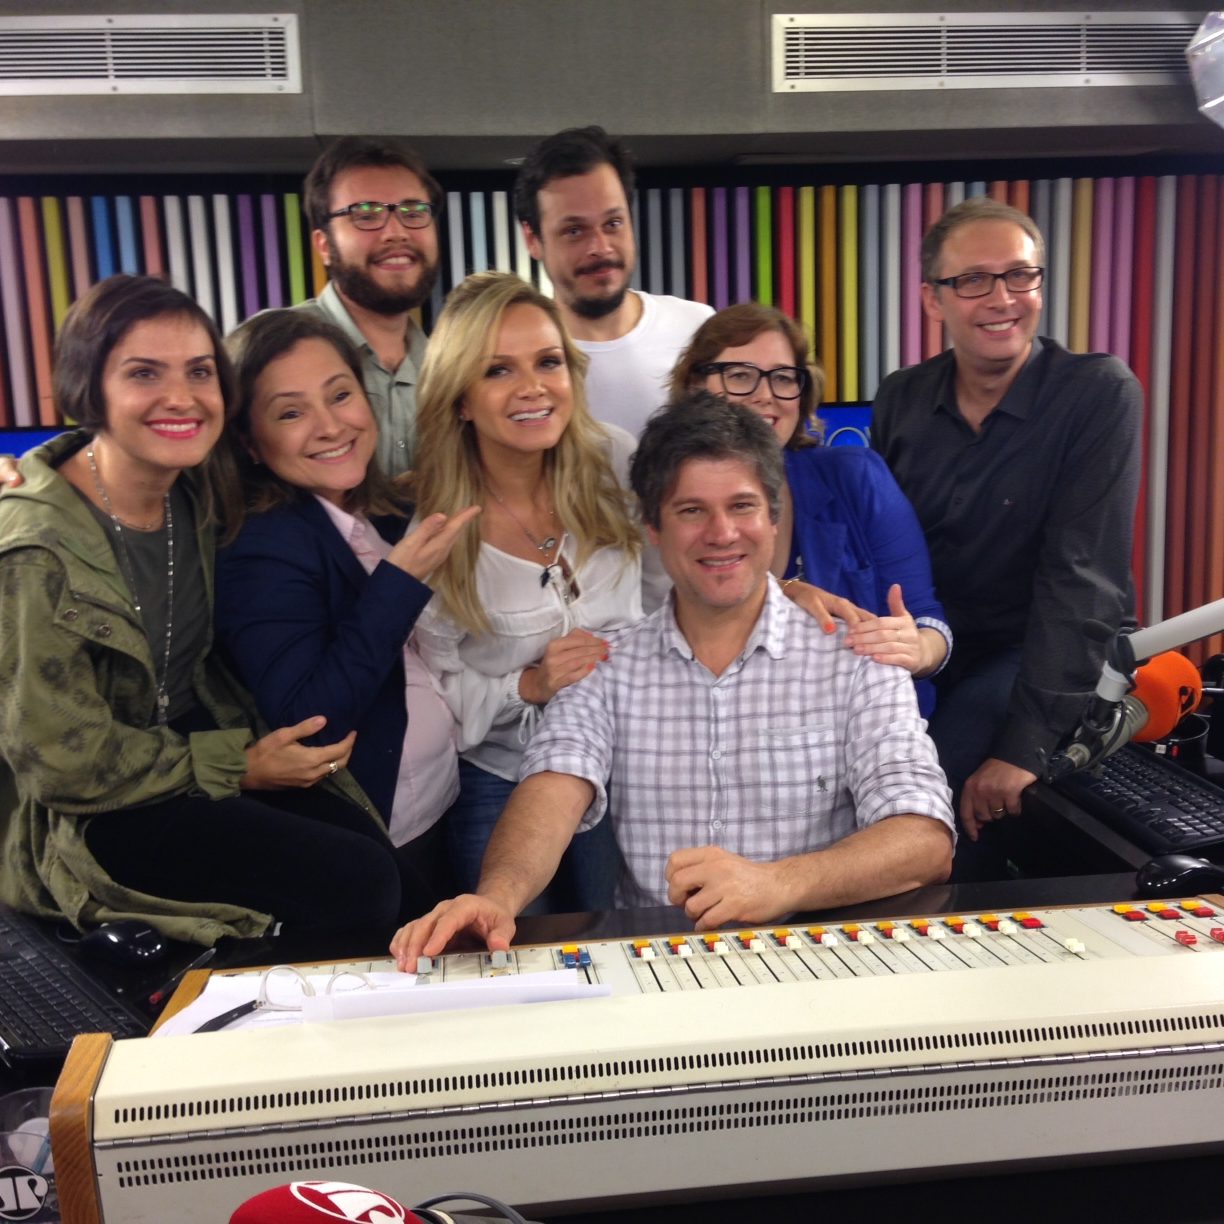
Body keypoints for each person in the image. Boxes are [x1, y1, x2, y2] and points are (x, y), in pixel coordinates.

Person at [391, 394, 954, 967]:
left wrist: (778, 884)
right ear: (653, 527)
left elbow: (924, 839)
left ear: (774, 516)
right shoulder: (606, 665)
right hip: (655, 973)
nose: (721, 533)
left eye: (742, 506)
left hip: (822, 968)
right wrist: (497, 897)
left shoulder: (858, 657)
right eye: (691, 511)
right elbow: (552, 786)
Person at [0, 275, 407, 944]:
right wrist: (236, 764)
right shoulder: (33, 551)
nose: (181, 397)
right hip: (91, 809)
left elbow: (314, 450)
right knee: (358, 884)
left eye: (198, 371)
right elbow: (62, 766)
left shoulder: (194, 489)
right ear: (87, 387)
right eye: (144, 373)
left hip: (187, 753)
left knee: (379, 860)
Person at [871, 197, 1142, 867]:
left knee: (923, 795)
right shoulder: (902, 397)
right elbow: (882, 552)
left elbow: (1081, 580)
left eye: (1021, 275)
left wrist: (1024, 746)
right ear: (933, 300)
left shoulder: (1098, 392)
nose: (1002, 298)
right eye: (973, 280)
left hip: (1041, 648)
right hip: (936, 643)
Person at [212, 310, 479, 909]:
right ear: (249, 441)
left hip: (440, 807)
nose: (331, 425)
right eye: (291, 413)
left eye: (340, 395)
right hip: (377, 841)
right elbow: (311, 723)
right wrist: (398, 582)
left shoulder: (379, 509)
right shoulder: (260, 545)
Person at [409, 270, 644, 906]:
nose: (533, 387)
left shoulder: (616, 463)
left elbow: (674, 588)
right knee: (505, 940)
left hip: (623, 760)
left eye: (548, 362)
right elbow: (439, 695)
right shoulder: (436, 531)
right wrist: (530, 685)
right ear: (460, 399)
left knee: (621, 936)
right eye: (497, 370)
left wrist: (784, 591)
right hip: (498, 774)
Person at [669, 302, 950, 715]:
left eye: (783, 377)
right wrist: (781, 593)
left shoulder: (856, 476)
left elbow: (928, 621)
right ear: (696, 386)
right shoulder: (669, 492)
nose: (766, 395)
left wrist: (919, 649)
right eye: (741, 375)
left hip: (871, 723)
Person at [513, 125, 712, 437]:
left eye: (613, 223)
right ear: (533, 240)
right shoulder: (519, 357)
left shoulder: (698, 329)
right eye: (574, 231)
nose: (601, 247)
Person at [299, 135, 443, 470]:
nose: (396, 232)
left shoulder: (446, 368)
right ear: (324, 246)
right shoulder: (273, 350)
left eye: (413, 212)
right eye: (365, 214)